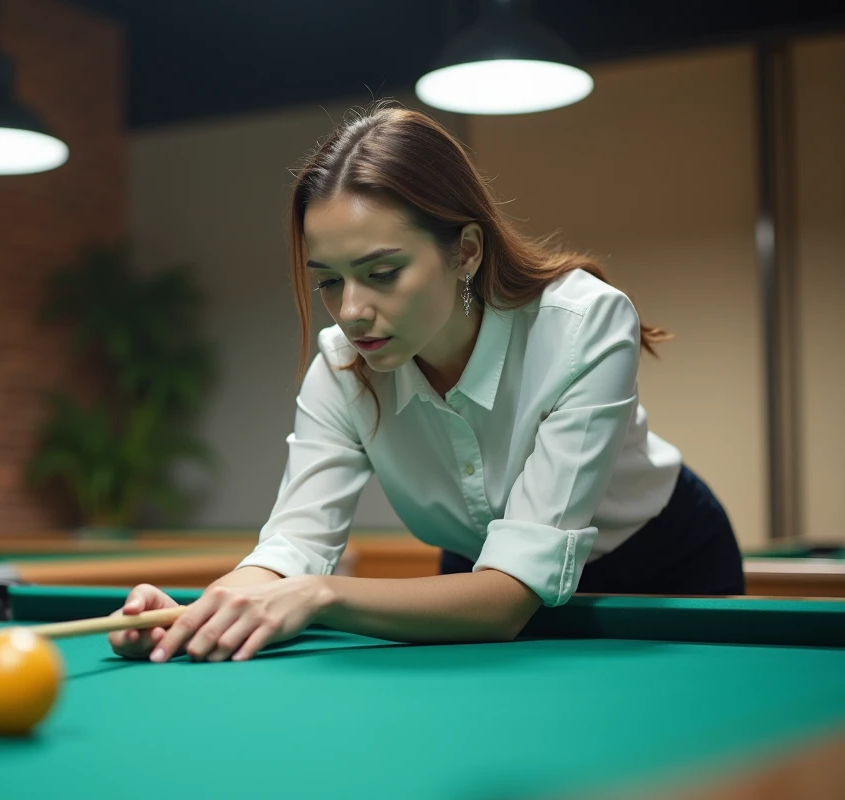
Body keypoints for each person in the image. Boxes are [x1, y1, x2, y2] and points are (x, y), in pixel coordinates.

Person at [108, 103, 744, 665]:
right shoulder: (340, 368)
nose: (351, 310)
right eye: (328, 279)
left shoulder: (585, 324)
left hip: (660, 566)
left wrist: (320, 595)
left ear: (465, 251)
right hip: (471, 580)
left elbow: (505, 601)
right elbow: (294, 543)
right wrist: (197, 613)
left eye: (382, 271)